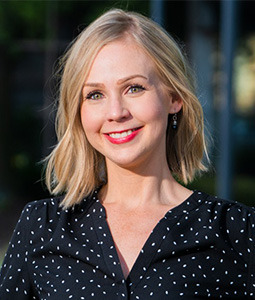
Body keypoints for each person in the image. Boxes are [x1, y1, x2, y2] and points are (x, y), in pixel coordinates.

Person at [0, 8, 254, 300]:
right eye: (95, 95)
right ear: (78, 110)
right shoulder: (41, 226)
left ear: (174, 98)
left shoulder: (239, 230)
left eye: (134, 88)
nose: (116, 113)